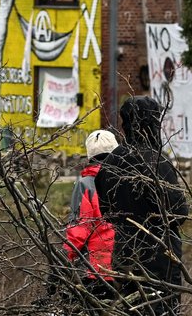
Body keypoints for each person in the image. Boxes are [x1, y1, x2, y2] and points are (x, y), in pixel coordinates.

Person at [97, 96, 191, 316]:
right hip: (159, 255)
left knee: (129, 309)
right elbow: (178, 213)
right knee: (161, 308)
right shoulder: (158, 162)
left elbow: (106, 211)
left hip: (124, 251)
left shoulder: (112, 161)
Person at [60, 129, 119, 301]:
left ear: (89, 155)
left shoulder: (85, 184)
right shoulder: (126, 179)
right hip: (126, 266)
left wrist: (61, 265)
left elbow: (78, 231)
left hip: (97, 269)